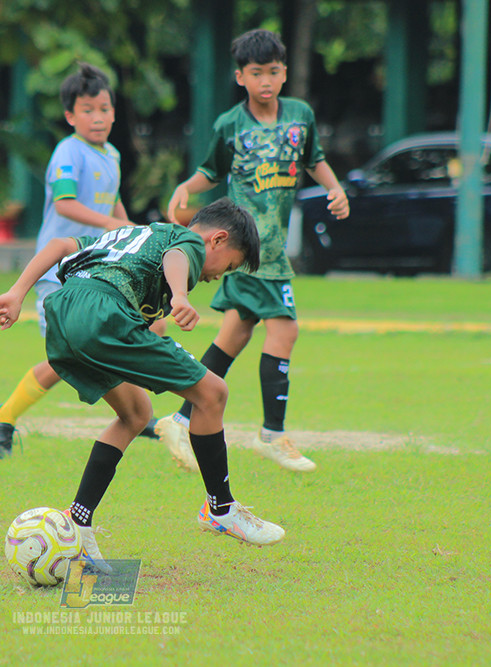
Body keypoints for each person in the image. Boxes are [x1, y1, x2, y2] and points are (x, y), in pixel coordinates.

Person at [0, 198, 286, 564]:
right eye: (229, 267)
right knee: (213, 393)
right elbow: (178, 256)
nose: (215, 277)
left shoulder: (129, 234)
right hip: (102, 314)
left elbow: (61, 246)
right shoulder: (188, 241)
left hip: (64, 313)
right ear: (218, 240)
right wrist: (179, 295)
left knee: (136, 413)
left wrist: (17, 293)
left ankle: (78, 522)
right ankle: (220, 508)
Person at [155, 28, 350, 473]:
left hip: (274, 248)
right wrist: (186, 187)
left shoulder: (300, 117)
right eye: (256, 73)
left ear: (285, 74)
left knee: (234, 335)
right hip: (247, 249)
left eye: (274, 72)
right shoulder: (230, 124)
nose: (266, 80)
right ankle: (273, 435)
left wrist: (335, 188)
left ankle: (181, 418)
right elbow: (209, 170)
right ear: (240, 77)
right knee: (285, 331)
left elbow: (314, 159)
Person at [0, 62, 163, 459]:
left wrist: (129, 227)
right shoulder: (68, 151)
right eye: (87, 110)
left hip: (96, 274)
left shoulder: (112, 154)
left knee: (110, 340)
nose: (97, 117)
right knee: (72, 355)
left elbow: (112, 200)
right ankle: (5, 416)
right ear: (70, 116)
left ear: (115, 112)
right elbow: (66, 202)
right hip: (56, 273)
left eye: (104, 109)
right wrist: (113, 223)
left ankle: (138, 411)